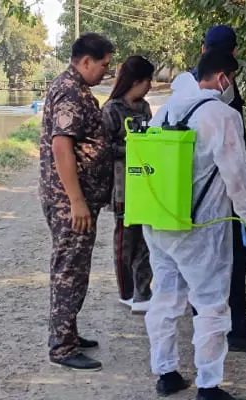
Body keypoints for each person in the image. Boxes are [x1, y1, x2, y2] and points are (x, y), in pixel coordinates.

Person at [144, 50, 246, 400]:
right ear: (223, 77)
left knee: (165, 298)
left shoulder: (167, 106)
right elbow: (236, 174)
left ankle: (165, 373)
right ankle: (209, 386)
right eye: (232, 80)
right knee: (210, 303)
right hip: (200, 228)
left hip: (158, 220)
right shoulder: (221, 114)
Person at [190, 25, 246, 355]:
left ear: (203, 49)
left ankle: (221, 329)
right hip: (218, 195)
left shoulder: (188, 89)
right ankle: (232, 333)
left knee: (208, 269)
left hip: (197, 196)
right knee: (229, 265)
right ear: (232, 59)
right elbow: (233, 160)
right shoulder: (221, 101)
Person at [38, 32, 115, 371]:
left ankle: (69, 331)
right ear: (85, 61)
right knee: (69, 270)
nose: (106, 72)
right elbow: (61, 146)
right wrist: (76, 200)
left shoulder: (77, 88)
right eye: (103, 65)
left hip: (77, 198)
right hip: (70, 201)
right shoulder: (70, 90)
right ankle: (62, 347)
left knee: (76, 269)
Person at [101, 56, 155, 315]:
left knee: (146, 243)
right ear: (136, 81)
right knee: (125, 243)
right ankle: (127, 292)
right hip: (123, 188)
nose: (150, 87)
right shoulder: (112, 110)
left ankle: (144, 292)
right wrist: (131, 148)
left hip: (146, 186)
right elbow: (103, 149)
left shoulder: (144, 108)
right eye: (148, 81)